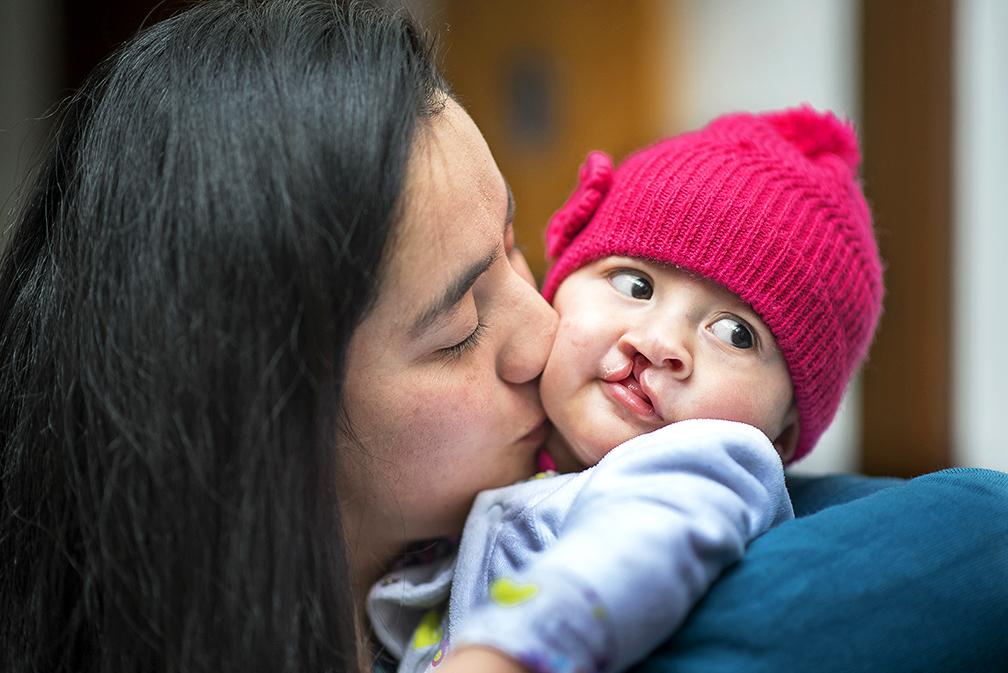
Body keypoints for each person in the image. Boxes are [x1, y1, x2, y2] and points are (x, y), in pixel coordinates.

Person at [2, 3, 1006, 673]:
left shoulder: (698, 491)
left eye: (518, 250)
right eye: (456, 328)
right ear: (267, 433)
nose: (544, 329)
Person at [368, 107, 883, 673]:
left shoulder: (701, 468)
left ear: (781, 437)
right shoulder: (492, 450)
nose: (659, 340)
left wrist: (504, 656)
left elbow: (634, 549)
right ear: (560, 282)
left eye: (736, 334)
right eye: (634, 283)